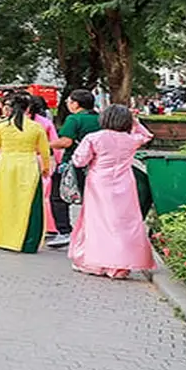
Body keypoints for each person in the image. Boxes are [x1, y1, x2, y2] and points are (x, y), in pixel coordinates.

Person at [67, 105, 155, 278]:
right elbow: (147, 136)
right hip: (124, 183)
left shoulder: (94, 138)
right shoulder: (131, 139)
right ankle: (120, 266)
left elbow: (79, 161)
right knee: (123, 223)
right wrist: (136, 122)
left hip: (99, 183)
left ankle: (96, 263)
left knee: (97, 222)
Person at [0, 93, 52, 254]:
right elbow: (44, 151)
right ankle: (27, 242)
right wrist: (46, 168)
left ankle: (4, 238)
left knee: (6, 201)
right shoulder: (36, 127)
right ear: (28, 109)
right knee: (29, 203)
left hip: (7, 166)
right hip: (29, 166)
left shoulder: (1, 126)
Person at [47, 89, 102, 248]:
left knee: (58, 196)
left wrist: (44, 145)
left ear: (76, 104)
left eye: (69, 101)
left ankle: (65, 232)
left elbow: (66, 142)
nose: (68, 104)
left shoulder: (74, 119)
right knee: (90, 198)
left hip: (72, 163)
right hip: (95, 164)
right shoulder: (100, 118)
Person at [27, 96, 62, 235]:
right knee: (45, 192)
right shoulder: (45, 123)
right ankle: (49, 224)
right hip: (43, 158)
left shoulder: (16, 123)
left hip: (23, 158)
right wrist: (60, 161)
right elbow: (56, 142)